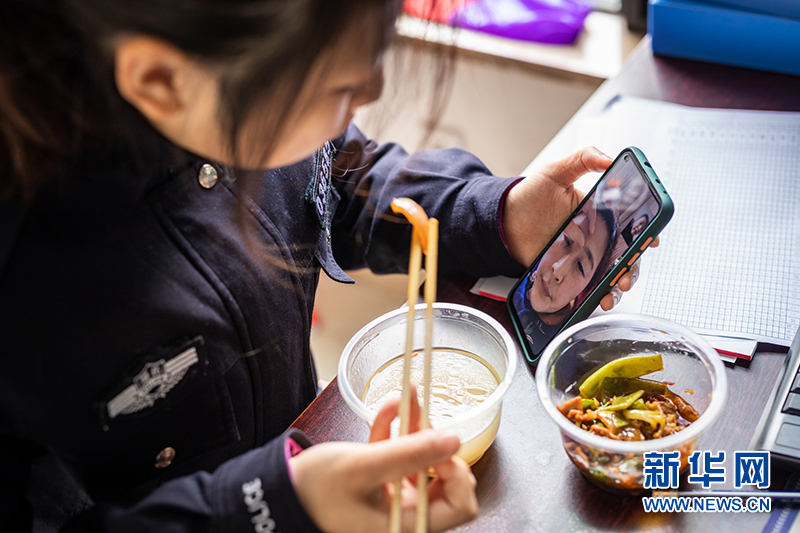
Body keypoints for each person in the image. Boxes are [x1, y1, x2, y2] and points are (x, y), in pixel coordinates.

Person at [0, 1, 641, 532]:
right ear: (161, 81)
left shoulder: (234, 97)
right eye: (335, 86)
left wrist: (498, 215)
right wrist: (272, 504)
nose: (375, 88)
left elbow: (337, 178)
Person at [513, 201, 619, 354]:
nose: (558, 270)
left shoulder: (566, 347)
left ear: (586, 288)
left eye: (580, 267)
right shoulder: (523, 264)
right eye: (567, 241)